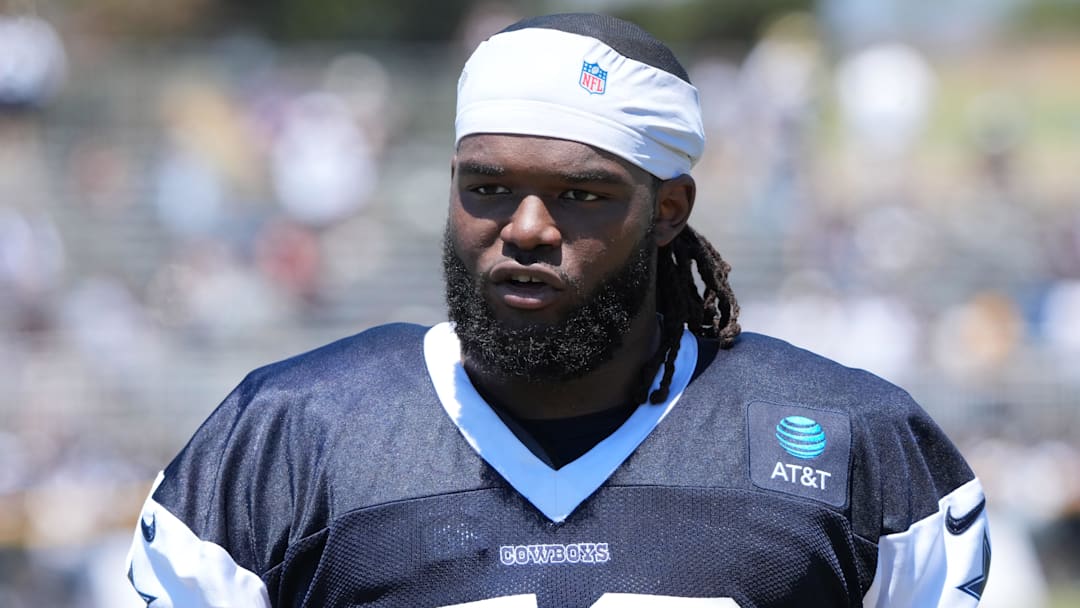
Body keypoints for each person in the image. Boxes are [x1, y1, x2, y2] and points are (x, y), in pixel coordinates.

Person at [126, 13, 990, 607]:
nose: (526, 228)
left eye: (581, 193)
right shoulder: (286, 435)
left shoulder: (849, 437)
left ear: (669, 209)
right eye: (488, 186)